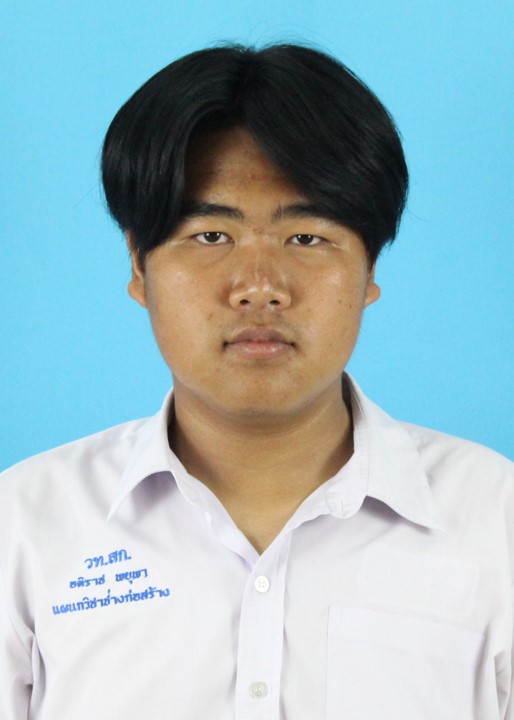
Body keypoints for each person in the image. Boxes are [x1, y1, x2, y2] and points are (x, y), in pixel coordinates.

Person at [0, 43, 512, 720]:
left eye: (307, 238)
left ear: (370, 269)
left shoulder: (496, 520)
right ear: (138, 264)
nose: (260, 287)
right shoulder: (23, 526)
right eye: (211, 235)